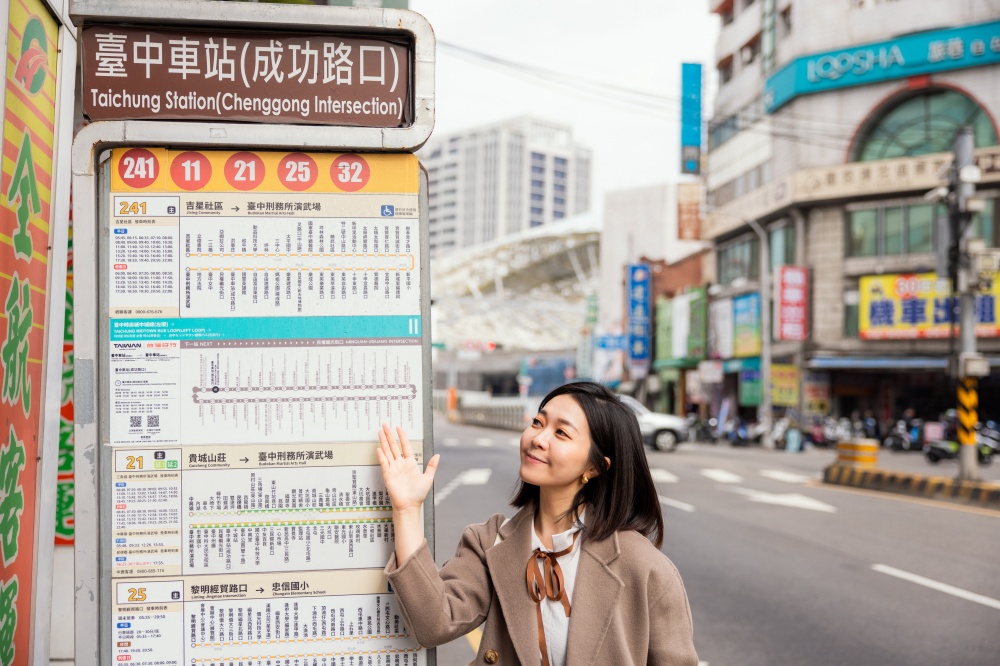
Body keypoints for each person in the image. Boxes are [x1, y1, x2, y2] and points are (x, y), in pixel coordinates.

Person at [377, 381, 699, 665]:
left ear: (596, 467)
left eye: (561, 432)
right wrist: (406, 508)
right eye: (537, 422)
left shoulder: (644, 567)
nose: (538, 438)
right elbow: (433, 623)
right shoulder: (489, 542)